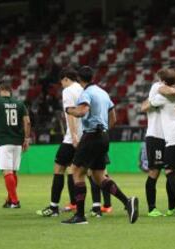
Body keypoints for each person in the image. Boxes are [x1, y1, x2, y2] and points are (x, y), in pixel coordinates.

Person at [62, 66, 138, 224]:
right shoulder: (103, 92)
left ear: (79, 79)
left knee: (76, 171)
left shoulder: (86, 93)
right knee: (99, 176)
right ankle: (127, 202)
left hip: (92, 135)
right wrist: (103, 131)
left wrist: (69, 110)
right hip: (103, 135)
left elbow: (82, 111)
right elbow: (113, 118)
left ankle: (80, 216)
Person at [141, 68, 175, 217]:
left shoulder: (170, 90)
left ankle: (171, 207)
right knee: (155, 171)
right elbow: (145, 106)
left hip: (169, 137)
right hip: (156, 136)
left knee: (171, 171)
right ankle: (151, 208)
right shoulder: (157, 87)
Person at [36, 67, 83, 217]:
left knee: (59, 169)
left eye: (61, 82)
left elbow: (70, 114)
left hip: (72, 138)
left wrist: (74, 135)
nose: (62, 85)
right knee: (84, 172)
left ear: (65, 79)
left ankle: (53, 207)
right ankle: (92, 206)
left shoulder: (68, 91)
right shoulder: (83, 89)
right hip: (86, 136)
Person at [0, 80, 31, 208]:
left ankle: (15, 201)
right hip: (18, 142)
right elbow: (27, 122)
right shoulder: (20, 103)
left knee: (7, 172)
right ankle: (10, 199)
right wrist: (26, 139)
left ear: (0, 90)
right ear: (10, 91)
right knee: (13, 172)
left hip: (4, 142)